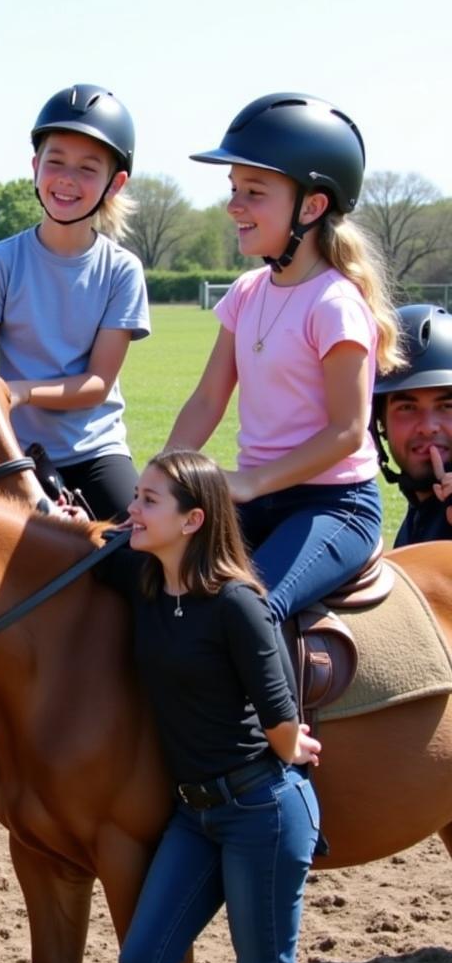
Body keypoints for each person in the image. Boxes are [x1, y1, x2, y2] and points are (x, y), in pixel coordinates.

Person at [0, 84, 151, 749]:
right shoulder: (2, 259)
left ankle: (152, 682)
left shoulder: (120, 270)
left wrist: (18, 392)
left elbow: (95, 382)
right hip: (7, 452)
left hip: (93, 446)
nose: (68, 179)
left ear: (115, 182)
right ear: (34, 167)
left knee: (144, 560)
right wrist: (2, 404)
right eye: (56, 160)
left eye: (88, 168)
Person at [167, 93, 404, 626]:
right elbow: (208, 400)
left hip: (332, 506)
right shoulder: (247, 292)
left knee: (248, 611)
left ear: (311, 206)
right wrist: (164, 475)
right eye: (233, 189)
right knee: (157, 585)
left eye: (254, 192)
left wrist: (251, 483)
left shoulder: (335, 304)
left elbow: (347, 431)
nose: (234, 206)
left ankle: (277, 715)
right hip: (258, 498)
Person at [96, 450, 321, 963]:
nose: (133, 509)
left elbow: (280, 714)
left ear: (193, 520)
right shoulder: (143, 578)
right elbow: (86, 546)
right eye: (136, 496)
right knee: (143, 961)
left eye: (149, 501)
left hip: (260, 811)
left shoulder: (237, 604)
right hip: (194, 815)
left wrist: (292, 745)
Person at [372, 303, 452, 546]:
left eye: (447, 406)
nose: (428, 427)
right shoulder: (417, 520)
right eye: (407, 408)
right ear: (380, 423)